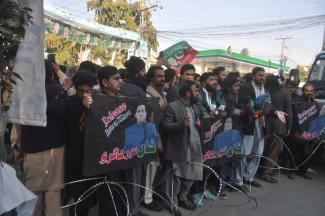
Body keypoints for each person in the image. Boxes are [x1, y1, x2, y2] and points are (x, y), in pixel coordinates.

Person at [20, 60, 68, 216]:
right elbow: (71, 86)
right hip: (56, 147)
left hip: (32, 148)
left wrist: (17, 149)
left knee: (33, 191)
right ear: (50, 73)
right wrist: (59, 72)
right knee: (53, 191)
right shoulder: (59, 90)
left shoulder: (25, 92)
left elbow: (17, 127)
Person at [47, 71, 98, 216]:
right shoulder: (70, 102)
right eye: (83, 91)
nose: (86, 94)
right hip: (75, 152)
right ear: (76, 88)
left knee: (89, 190)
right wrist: (64, 90)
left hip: (93, 152)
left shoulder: (98, 101)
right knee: (77, 189)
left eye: (89, 90)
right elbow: (51, 108)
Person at [237, 67, 287, 188]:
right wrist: (254, 112)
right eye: (260, 75)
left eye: (263, 76)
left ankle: (249, 176)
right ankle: (239, 180)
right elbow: (242, 105)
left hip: (261, 124)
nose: (262, 78)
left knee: (258, 152)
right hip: (249, 123)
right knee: (245, 152)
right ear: (253, 75)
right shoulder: (246, 88)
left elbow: (268, 105)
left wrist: (276, 112)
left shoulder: (265, 89)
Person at [162, 81, 203, 216]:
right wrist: (180, 124)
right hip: (179, 147)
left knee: (193, 174)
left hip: (195, 147)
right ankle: (173, 204)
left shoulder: (195, 107)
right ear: (188, 93)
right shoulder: (172, 107)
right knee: (175, 177)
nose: (197, 94)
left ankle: (183, 197)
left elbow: (200, 121)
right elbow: (165, 126)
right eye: (195, 91)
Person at [259, 75, 292, 183]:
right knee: (273, 151)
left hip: (263, 124)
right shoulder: (285, 93)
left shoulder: (265, 93)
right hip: (279, 124)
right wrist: (289, 127)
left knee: (263, 149)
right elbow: (288, 111)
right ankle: (266, 173)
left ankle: (261, 170)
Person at [143, 65, 167, 212]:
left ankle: (150, 194)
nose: (162, 79)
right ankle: (147, 199)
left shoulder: (162, 93)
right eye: (159, 76)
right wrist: (156, 137)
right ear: (151, 78)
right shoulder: (148, 95)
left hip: (160, 134)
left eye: (163, 76)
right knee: (150, 167)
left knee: (155, 168)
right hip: (150, 136)